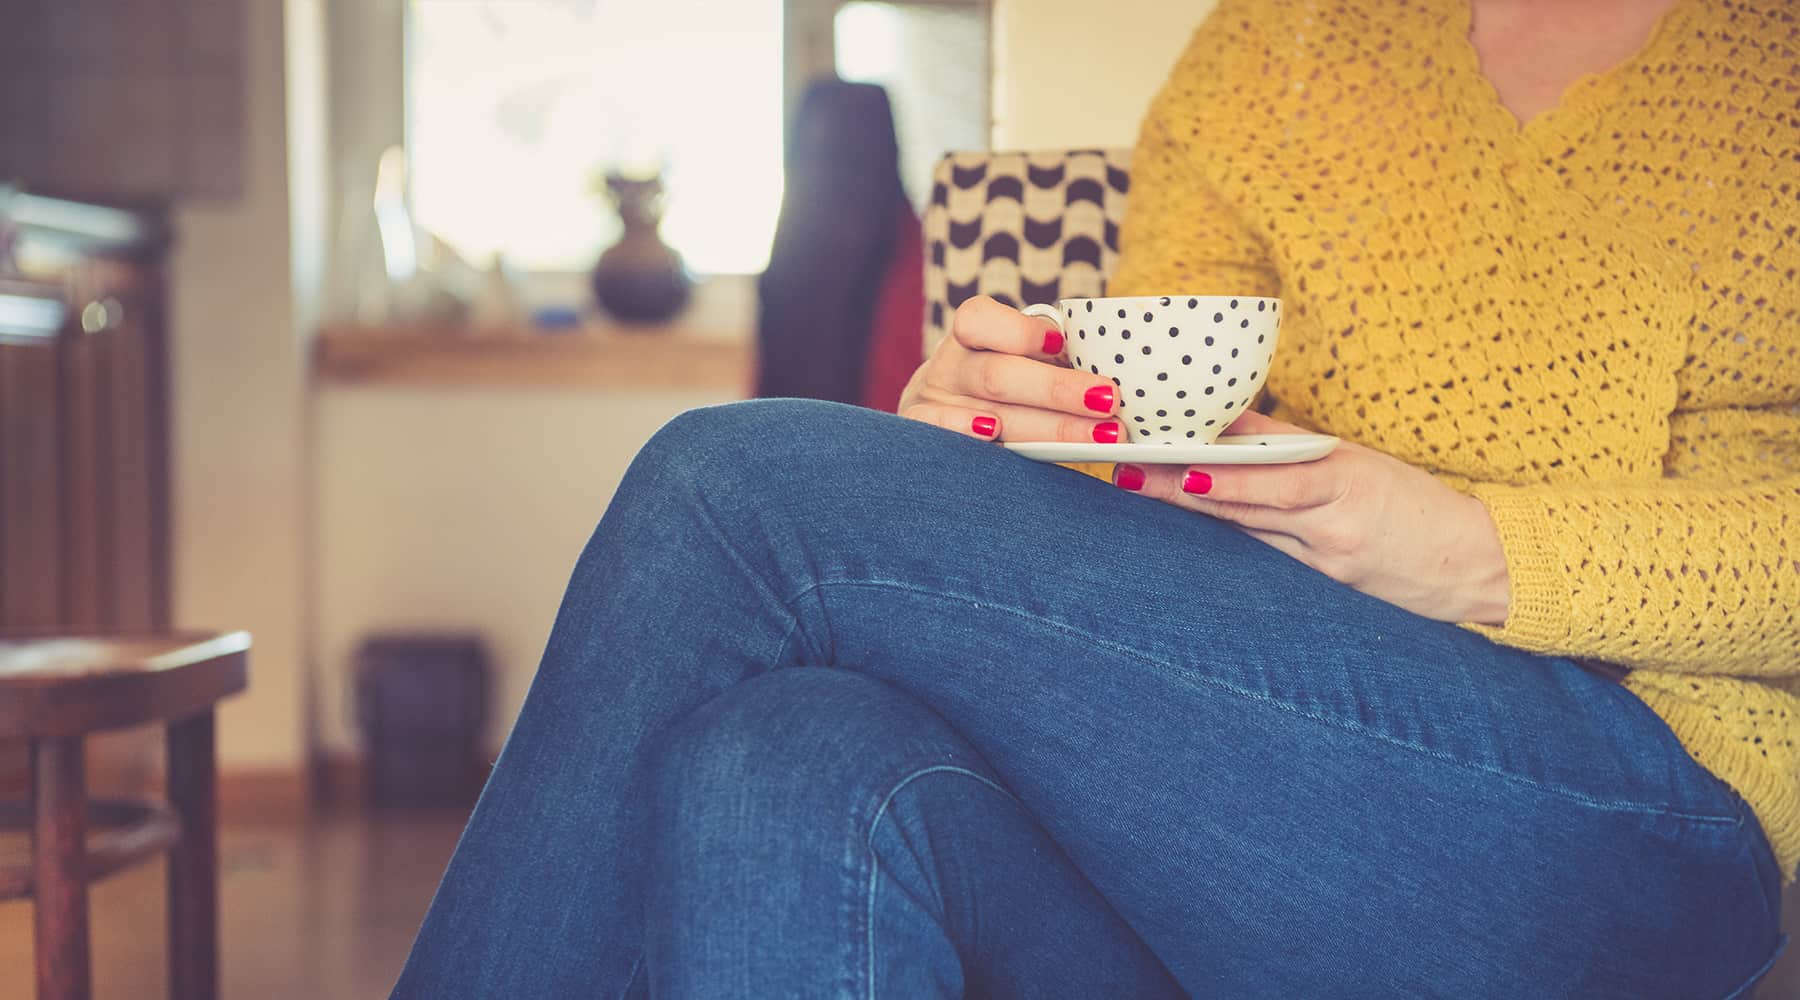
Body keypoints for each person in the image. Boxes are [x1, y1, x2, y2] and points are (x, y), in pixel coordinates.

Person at [391, 0, 1796, 995]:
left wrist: (1471, 549)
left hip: (1645, 817)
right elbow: (1175, 440)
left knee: (727, 487)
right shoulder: (1275, 48)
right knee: (776, 758)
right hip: (1243, 795)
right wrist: (1003, 431)